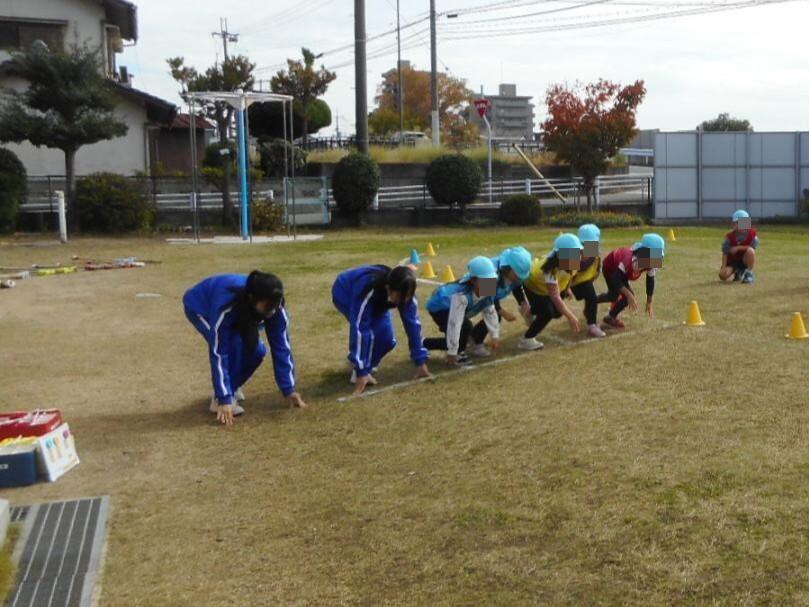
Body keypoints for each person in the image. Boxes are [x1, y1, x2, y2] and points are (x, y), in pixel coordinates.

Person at [183, 271, 307, 426]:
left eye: (275, 304)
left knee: (258, 351)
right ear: (252, 298)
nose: (272, 310)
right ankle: (220, 399)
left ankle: (231, 387)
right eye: (267, 305)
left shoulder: (276, 306)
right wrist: (224, 398)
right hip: (201, 307)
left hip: (240, 313)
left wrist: (289, 389)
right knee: (230, 346)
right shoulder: (226, 305)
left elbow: (282, 345)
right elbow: (218, 352)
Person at [332, 264, 432, 395]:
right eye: (399, 297)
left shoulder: (406, 294)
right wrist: (362, 372)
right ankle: (359, 370)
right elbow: (360, 329)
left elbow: (413, 325)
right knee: (370, 333)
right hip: (345, 291)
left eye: (407, 297)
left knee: (387, 340)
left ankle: (359, 366)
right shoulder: (367, 289)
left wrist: (420, 362)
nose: (403, 301)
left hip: (378, 300)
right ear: (388, 289)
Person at [424, 256, 500, 365]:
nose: (490, 283)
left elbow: (490, 311)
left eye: (492, 279)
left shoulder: (487, 287)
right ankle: (455, 352)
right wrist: (452, 352)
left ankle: (423, 344)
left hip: (452, 308)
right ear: (473, 280)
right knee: (464, 327)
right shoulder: (461, 296)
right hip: (440, 307)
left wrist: (495, 336)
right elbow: (454, 323)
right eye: (486, 279)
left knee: (461, 332)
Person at [512, 233, 583, 351]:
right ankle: (527, 339)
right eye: (575, 253)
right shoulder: (549, 269)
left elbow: (570, 275)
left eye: (579, 252)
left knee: (557, 312)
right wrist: (571, 317)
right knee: (547, 312)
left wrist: (567, 288)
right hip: (533, 285)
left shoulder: (572, 262)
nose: (579, 256)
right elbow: (555, 296)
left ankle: (530, 311)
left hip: (547, 287)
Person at [468, 246, 533, 356]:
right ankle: (474, 343)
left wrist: (522, 302)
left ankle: (472, 337)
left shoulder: (514, 274)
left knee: (494, 316)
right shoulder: (490, 272)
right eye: (517, 274)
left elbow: (517, 286)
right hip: (473, 302)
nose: (519, 278)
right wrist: (502, 312)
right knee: (494, 316)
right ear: (508, 268)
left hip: (485, 299)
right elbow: (488, 299)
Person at [598, 233, 666, 329]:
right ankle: (593, 302)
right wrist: (629, 295)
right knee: (617, 296)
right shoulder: (629, 260)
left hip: (622, 273)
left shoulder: (650, 262)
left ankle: (609, 316)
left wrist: (649, 302)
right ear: (644, 253)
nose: (657, 259)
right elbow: (616, 278)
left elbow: (650, 280)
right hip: (611, 268)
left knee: (616, 296)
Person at [568, 224, 607, 338]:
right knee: (554, 310)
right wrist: (567, 287)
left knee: (591, 297)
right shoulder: (571, 252)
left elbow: (596, 269)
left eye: (591, 244)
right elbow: (564, 274)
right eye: (584, 244)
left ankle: (592, 325)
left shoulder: (595, 254)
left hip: (583, 283)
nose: (586, 247)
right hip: (568, 284)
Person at [719, 209, 759, 284]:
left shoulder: (752, 234)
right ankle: (737, 272)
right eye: (738, 223)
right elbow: (725, 252)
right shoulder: (729, 237)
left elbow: (753, 247)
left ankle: (749, 273)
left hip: (744, 260)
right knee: (723, 276)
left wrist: (738, 248)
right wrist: (723, 267)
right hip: (732, 262)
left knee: (750, 251)